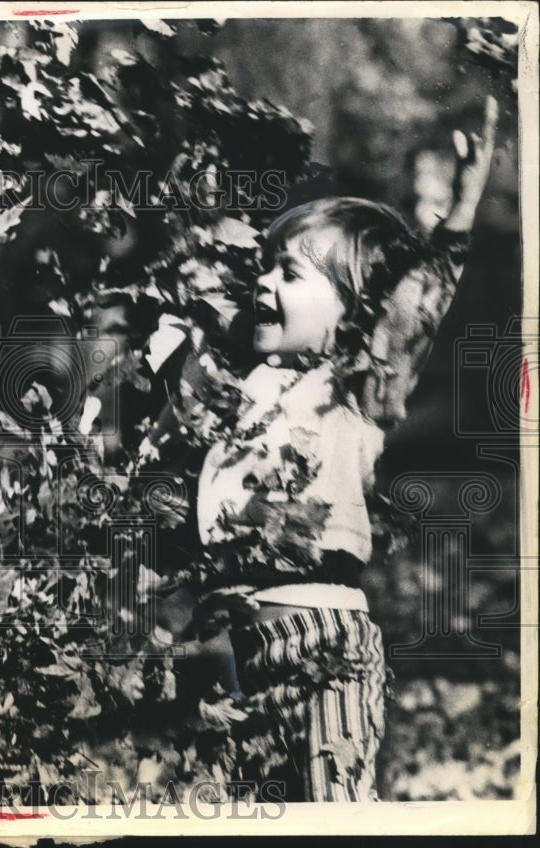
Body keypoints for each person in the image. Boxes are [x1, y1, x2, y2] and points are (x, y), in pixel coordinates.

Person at [146, 97, 498, 801]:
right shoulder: (234, 388)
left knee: (331, 807)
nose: (265, 283)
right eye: (266, 267)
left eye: (290, 273)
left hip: (320, 642)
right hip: (227, 654)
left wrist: (459, 215)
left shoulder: (352, 391)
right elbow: (176, 316)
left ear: (355, 314)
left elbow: (411, 311)